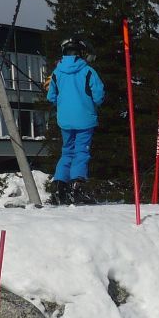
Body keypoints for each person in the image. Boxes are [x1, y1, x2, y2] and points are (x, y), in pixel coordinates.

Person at [46, 34, 105, 205]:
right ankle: (76, 187)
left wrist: (63, 104)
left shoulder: (57, 72)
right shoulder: (88, 71)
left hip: (65, 119)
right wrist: (91, 104)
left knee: (67, 151)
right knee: (81, 151)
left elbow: (51, 97)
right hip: (85, 118)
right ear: (80, 52)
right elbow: (99, 95)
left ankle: (59, 187)